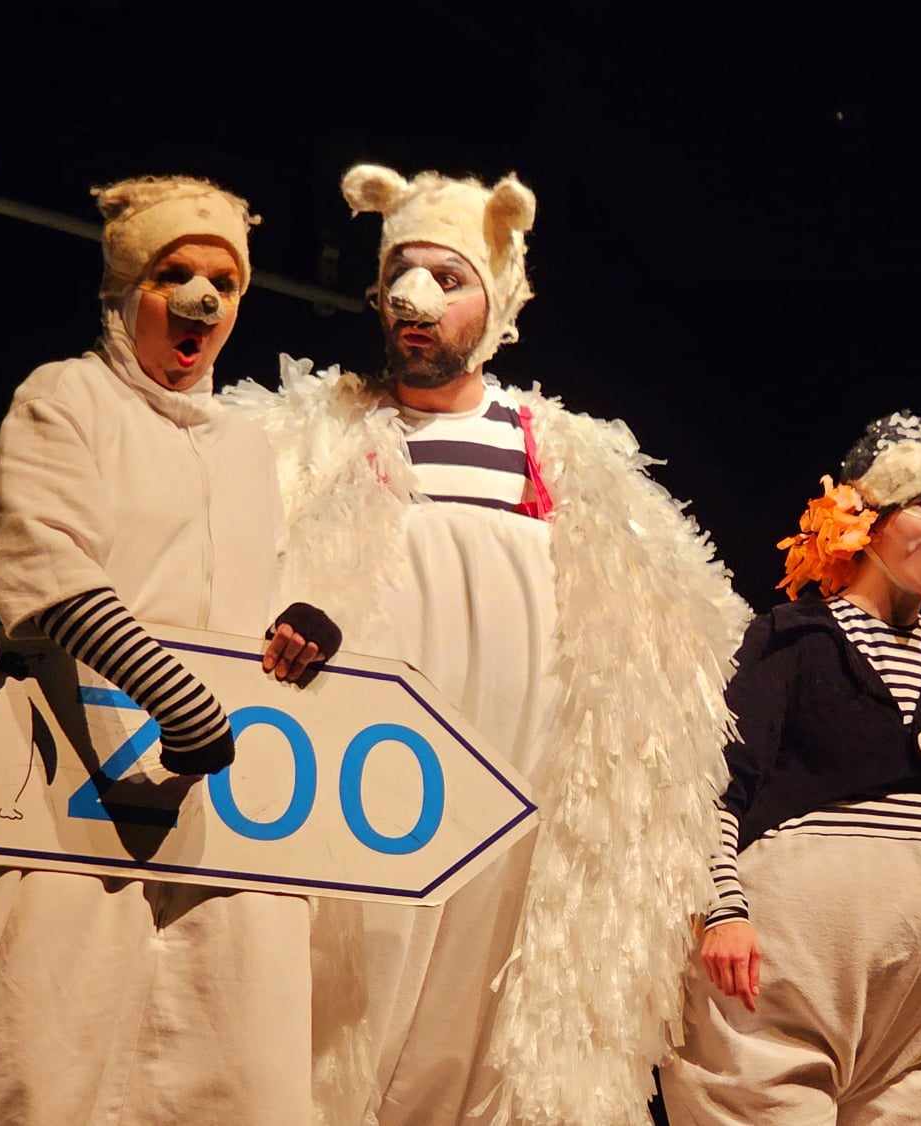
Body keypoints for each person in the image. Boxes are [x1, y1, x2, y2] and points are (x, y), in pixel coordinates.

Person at [221, 163, 748, 1125]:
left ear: (498, 303)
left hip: (525, 784)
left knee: (488, 1025)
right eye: (400, 276)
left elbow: (676, 644)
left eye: (450, 278)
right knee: (348, 1008)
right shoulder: (319, 435)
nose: (416, 300)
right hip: (365, 781)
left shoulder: (557, 451)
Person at [0, 176, 342, 1124]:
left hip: (211, 820)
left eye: (223, 283)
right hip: (60, 799)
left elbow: (245, 598)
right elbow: (38, 560)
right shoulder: (67, 396)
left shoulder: (247, 450)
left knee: (223, 1072)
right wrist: (171, 694)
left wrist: (298, 630)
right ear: (126, 290)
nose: (202, 300)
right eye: (174, 275)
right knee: (42, 1064)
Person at [660, 412, 921, 1125]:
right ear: (865, 520)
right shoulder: (792, 640)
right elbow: (719, 783)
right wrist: (723, 911)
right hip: (797, 981)